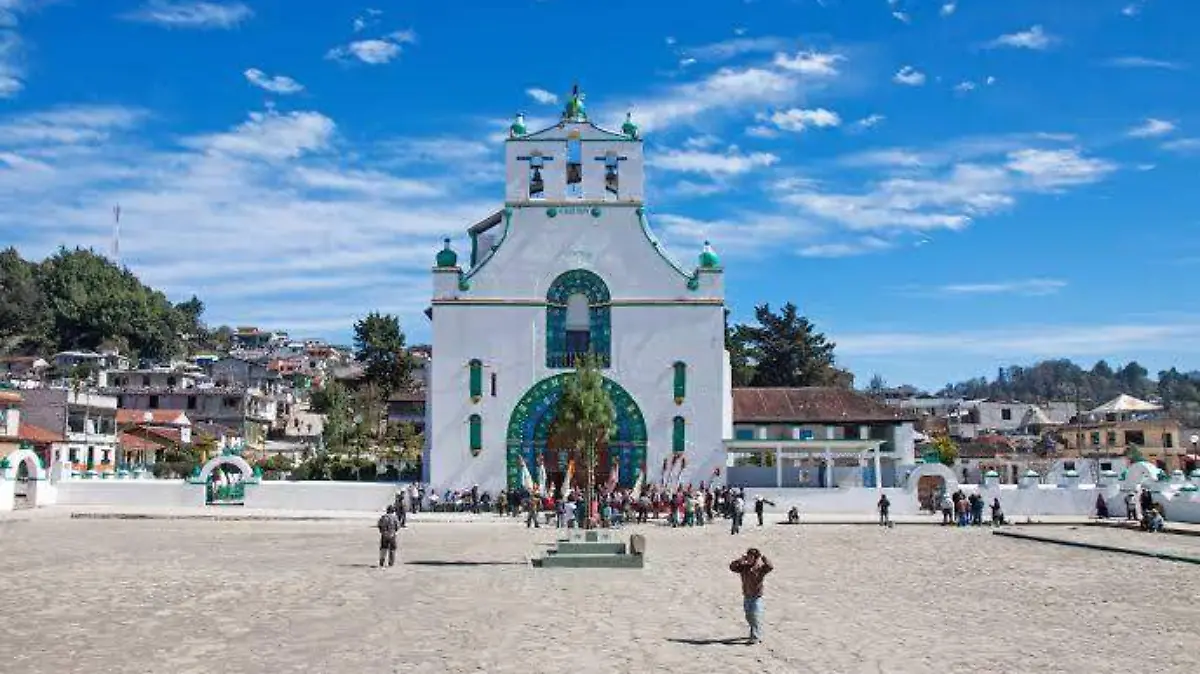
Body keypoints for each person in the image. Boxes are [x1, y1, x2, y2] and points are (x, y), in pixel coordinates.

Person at [729, 548, 773, 644]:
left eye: (751, 557)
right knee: (749, 616)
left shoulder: (760, 568)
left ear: (755, 558)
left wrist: (764, 558)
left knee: (755, 616)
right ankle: (755, 632)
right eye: (748, 556)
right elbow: (732, 567)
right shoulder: (743, 567)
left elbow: (770, 567)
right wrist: (739, 560)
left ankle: (756, 637)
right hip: (747, 596)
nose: (749, 559)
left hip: (756, 597)